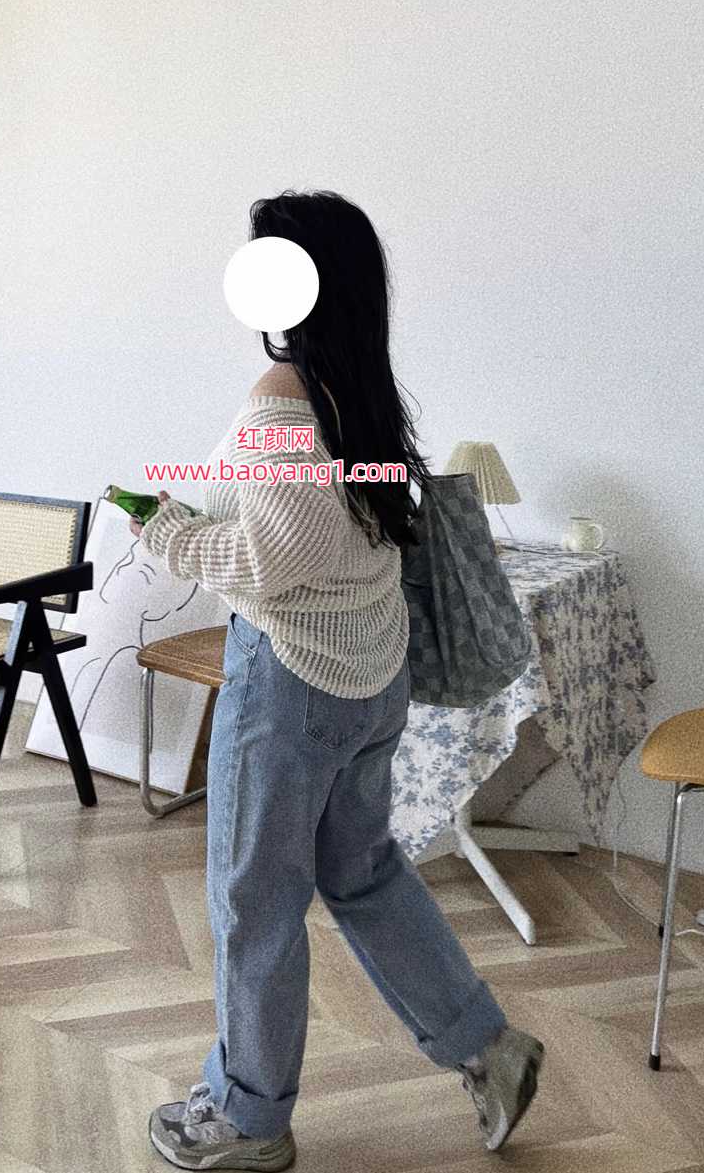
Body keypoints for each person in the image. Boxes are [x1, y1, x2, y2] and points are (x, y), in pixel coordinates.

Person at [132, 191, 544, 1170]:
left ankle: (249, 1116)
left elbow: (267, 560)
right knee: (360, 873)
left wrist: (162, 527)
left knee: (253, 902)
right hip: (368, 676)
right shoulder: (359, 387)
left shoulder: (281, 398)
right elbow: (332, 535)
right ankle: (487, 1046)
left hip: (290, 684)